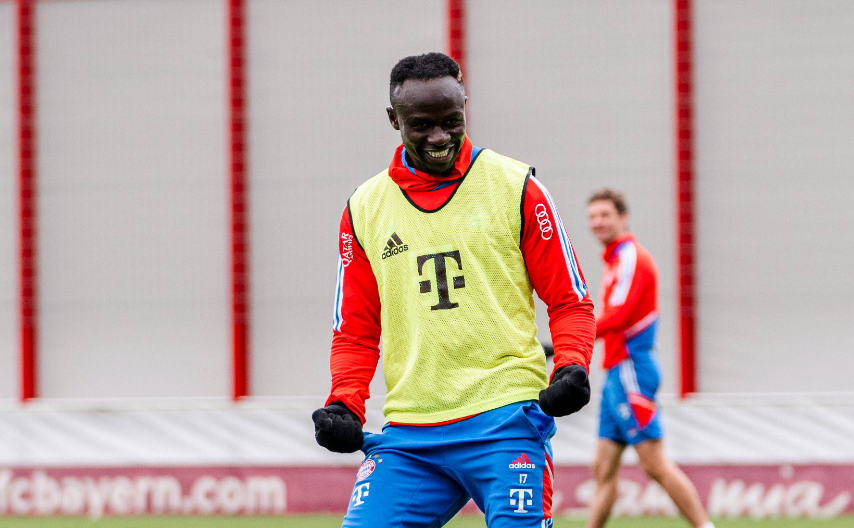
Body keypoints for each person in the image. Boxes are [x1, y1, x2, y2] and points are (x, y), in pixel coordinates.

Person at [311, 52, 596, 528]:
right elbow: (355, 331)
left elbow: (570, 300)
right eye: (422, 125)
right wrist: (346, 403)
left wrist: (572, 365)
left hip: (506, 422)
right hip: (409, 434)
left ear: (466, 106)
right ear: (393, 120)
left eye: (452, 121)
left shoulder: (516, 187)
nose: (440, 137)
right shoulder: (364, 209)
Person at [586, 189, 713, 528]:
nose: (597, 222)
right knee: (604, 469)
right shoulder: (615, 260)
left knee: (654, 464)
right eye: (592, 217)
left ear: (623, 218)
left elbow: (621, 314)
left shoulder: (631, 256)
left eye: (605, 215)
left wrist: (572, 338)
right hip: (616, 371)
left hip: (631, 370)